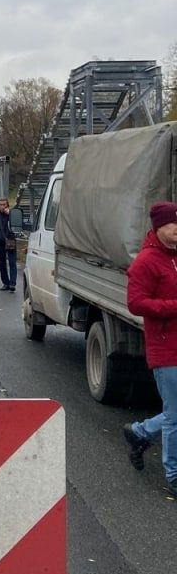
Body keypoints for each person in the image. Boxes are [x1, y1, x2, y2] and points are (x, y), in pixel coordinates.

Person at [123, 201, 177, 496]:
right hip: (166, 348)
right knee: (175, 414)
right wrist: (173, 308)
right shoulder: (146, 262)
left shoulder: (174, 257)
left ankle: (139, 432)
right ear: (159, 227)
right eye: (174, 225)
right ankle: (174, 474)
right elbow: (135, 303)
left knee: (175, 413)